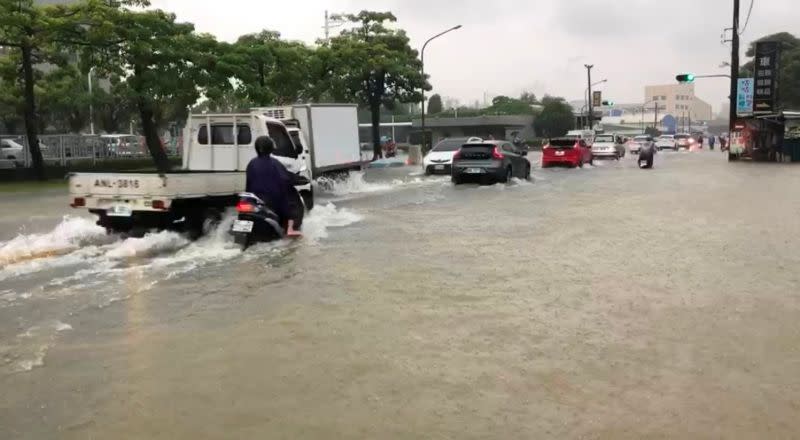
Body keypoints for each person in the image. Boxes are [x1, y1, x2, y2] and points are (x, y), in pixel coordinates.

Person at [245, 136, 302, 237]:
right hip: (272, 202)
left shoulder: (251, 163)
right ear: (270, 148)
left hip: (252, 201)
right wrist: (298, 179)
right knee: (292, 203)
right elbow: (286, 178)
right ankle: (290, 229)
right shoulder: (274, 163)